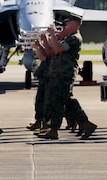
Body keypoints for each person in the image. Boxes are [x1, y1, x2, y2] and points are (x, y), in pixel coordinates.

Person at [35, 12, 96, 140]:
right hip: (59, 73)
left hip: (65, 74)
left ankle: (56, 129)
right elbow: (51, 51)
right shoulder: (69, 37)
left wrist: (52, 35)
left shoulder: (75, 38)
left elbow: (57, 49)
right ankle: (84, 124)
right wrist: (47, 39)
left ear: (76, 24)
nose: (67, 24)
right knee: (64, 101)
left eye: (69, 22)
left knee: (60, 102)